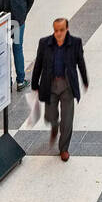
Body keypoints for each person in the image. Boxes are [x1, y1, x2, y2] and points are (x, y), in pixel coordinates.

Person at [31, 18, 88, 161]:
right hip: (50, 85)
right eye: (56, 30)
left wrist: (85, 80)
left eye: (61, 30)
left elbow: (80, 62)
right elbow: (38, 64)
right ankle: (54, 126)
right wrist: (34, 83)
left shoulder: (75, 43)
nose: (58, 33)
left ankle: (64, 148)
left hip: (67, 86)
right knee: (50, 115)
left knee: (67, 120)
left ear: (67, 29)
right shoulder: (44, 44)